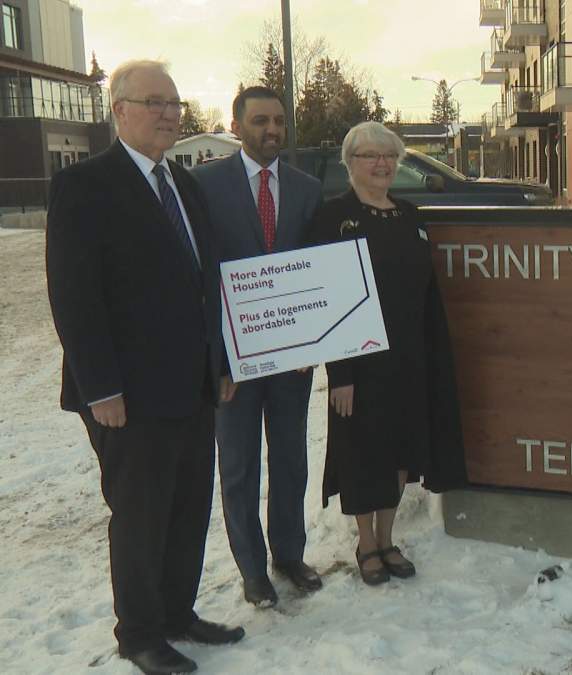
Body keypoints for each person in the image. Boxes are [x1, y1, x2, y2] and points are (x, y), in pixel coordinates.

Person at [45, 60, 243, 675]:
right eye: (154, 101)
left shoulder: (184, 185)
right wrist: (100, 386)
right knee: (141, 515)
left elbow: (208, 286)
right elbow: (74, 297)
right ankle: (139, 634)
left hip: (193, 385)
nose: (168, 114)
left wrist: (224, 363)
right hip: (126, 394)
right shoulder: (85, 186)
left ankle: (178, 613)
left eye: (175, 103)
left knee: (188, 506)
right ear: (119, 109)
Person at [305, 121, 467, 585]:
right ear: (350, 163)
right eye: (371, 156)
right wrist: (341, 374)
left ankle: (388, 536)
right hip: (359, 364)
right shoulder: (333, 218)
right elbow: (327, 299)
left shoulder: (411, 215)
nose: (382, 164)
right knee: (363, 452)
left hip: (409, 357)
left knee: (400, 450)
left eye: (389, 156)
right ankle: (366, 542)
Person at [193, 86, 323, 608]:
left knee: (291, 458)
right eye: (260, 120)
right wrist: (215, 359)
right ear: (237, 124)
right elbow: (201, 276)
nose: (272, 130)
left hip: (291, 357)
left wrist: (311, 338)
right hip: (232, 361)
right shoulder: (203, 185)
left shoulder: (306, 188)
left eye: (279, 121)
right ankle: (252, 569)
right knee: (240, 465)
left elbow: (314, 269)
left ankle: (288, 553)